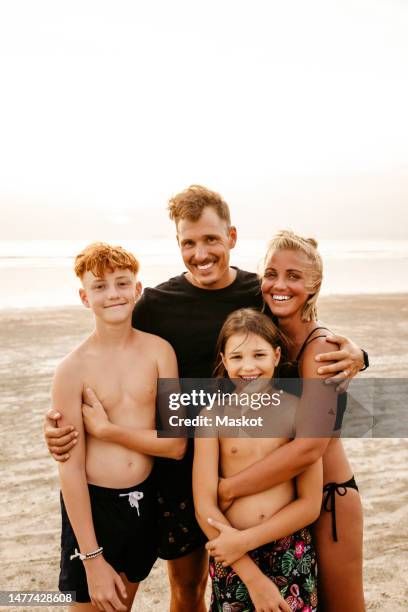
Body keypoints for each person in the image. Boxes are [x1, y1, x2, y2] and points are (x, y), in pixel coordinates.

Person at [44, 186, 367, 611]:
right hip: (180, 474)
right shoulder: (155, 303)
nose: (201, 253)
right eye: (189, 243)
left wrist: (359, 355)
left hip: (261, 467)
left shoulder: (260, 294)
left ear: (231, 238)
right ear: (178, 244)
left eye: (211, 239)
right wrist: (57, 422)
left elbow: (302, 326)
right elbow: (111, 344)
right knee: (189, 589)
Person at [212, 231, 365, 611]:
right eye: (272, 274)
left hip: (327, 499)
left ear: (314, 285)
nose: (280, 285)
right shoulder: (264, 335)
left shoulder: (321, 348)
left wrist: (230, 488)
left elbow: (310, 447)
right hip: (282, 508)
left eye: (294, 276)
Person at [53, 242, 185, 612]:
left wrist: (109, 431)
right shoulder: (71, 370)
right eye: (99, 286)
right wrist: (92, 557)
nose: (113, 294)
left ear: (138, 290)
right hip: (94, 509)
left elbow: (176, 444)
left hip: (142, 504)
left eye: (122, 283)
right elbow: (70, 467)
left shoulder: (160, 352)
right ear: (84, 297)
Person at [193, 308, 323, 611]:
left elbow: (310, 503)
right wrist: (250, 574)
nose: (247, 366)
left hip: (290, 549)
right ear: (224, 362)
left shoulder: (297, 413)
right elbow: (204, 506)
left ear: (277, 356)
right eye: (236, 357)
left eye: (258, 355)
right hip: (233, 557)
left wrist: (247, 539)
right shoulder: (211, 418)